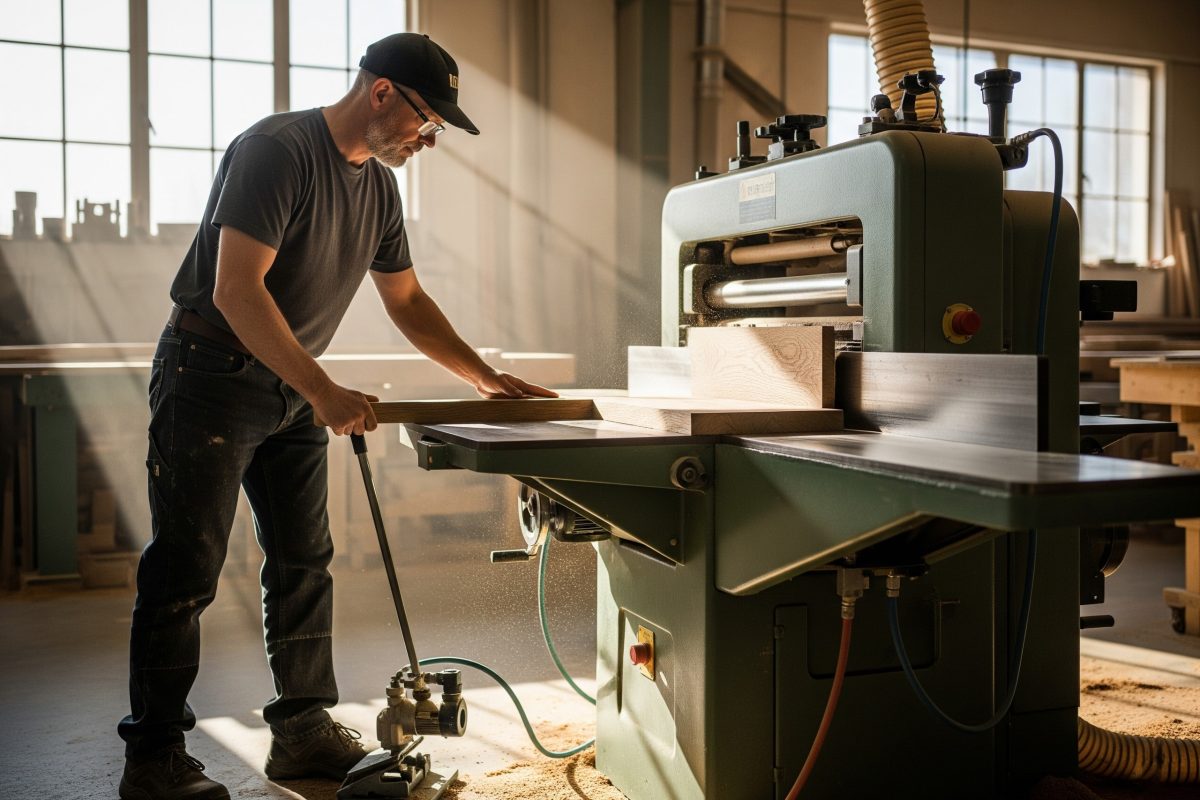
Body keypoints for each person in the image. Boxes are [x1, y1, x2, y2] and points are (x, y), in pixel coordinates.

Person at [117, 32, 557, 800]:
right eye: (427, 119)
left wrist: (483, 375)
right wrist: (322, 389)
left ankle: (302, 732)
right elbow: (236, 290)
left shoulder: (379, 191)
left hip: (286, 387)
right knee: (184, 572)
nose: (429, 139)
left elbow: (409, 302)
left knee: (303, 562)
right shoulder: (276, 152)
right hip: (210, 376)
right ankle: (153, 759)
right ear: (381, 92)